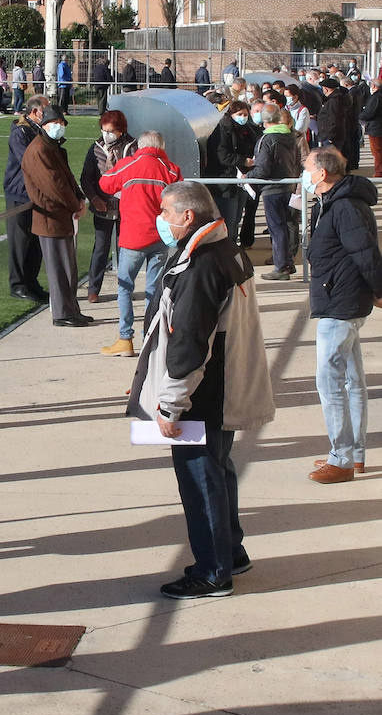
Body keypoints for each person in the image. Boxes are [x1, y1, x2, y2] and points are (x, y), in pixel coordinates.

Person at [128, 181, 273, 599]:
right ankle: (230, 552)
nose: (162, 221)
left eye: (166, 213)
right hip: (219, 389)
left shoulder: (202, 264)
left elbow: (189, 343)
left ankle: (212, 570)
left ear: (187, 216)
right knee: (219, 470)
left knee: (201, 478)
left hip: (202, 395)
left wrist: (171, 405)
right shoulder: (223, 249)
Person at [302, 147, 382, 483]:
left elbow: (365, 252)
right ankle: (353, 453)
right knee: (351, 379)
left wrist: (379, 290)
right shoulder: (333, 202)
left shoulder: (344, 205)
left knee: (331, 381)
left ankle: (342, 458)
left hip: (341, 300)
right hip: (341, 296)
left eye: (306, 168)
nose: (303, 173)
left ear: (321, 173)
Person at [97, 131, 182, 356]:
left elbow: (105, 183)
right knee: (153, 290)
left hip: (133, 237)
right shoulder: (171, 168)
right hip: (160, 237)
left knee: (125, 287)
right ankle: (150, 338)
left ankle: (125, 338)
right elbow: (180, 198)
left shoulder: (129, 164)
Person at [22, 106, 91, 327]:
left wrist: (79, 198)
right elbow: (54, 186)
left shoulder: (51, 147)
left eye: (62, 123)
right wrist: (75, 204)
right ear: (44, 125)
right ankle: (62, 313)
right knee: (59, 269)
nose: (60, 127)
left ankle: (70, 310)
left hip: (60, 216)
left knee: (67, 268)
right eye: (56, 123)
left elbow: (67, 178)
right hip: (50, 217)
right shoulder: (40, 150)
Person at [79, 111, 138, 305]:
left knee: (126, 250)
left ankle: (125, 289)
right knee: (100, 248)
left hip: (126, 208)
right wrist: (95, 199)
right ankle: (93, 289)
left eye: (111, 131)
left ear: (121, 130)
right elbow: (86, 178)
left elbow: (135, 177)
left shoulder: (133, 147)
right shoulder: (95, 148)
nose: (107, 135)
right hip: (103, 207)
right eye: (104, 131)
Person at [248, 103, 305, 281]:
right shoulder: (290, 137)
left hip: (272, 189)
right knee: (286, 225)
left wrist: (247, 176)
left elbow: (262, 169)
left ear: (264, 120)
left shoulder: (267, 140)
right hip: (288, 185)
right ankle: (288, 262)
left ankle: (281, 266)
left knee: (277, 228)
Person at [4, 95, 51, 302]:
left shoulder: (39, 131)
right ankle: (18, 284)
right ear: (34, 112)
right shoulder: (21, 132)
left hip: (36, 193)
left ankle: (31, 282)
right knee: (20, 240)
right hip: (19, 192)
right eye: (45, 111)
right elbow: (28, 160)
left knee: (35, 241)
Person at [204, 101, 255, 243]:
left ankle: (232, 246)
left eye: (245, 114)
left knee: (236, 217)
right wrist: (243, 161)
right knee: (228, 219)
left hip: (241, 181)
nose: (243, 117)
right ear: (231, 114)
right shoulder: (223, 130)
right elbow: (222, 155)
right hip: (225, 182)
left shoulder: (247, 130)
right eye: (239, 114)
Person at [361, 77, 382, 178]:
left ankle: (379, 173)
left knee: (377, 151)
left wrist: (360, 116)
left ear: (373, 86)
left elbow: (369, 113)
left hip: (376, 128)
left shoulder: (376, 97)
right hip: (377, 127)